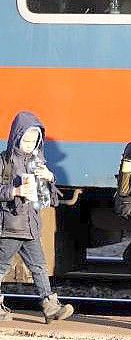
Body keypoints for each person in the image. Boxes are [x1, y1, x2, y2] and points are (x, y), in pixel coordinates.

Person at [0, 111, 73, 323]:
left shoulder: (38, 163)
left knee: (39, 266)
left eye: (34, 141)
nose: (30, 144)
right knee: (2, 266)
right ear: (16, 137)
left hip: (31, 225)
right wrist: (14, 192)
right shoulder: (5, 162)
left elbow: (48, 200)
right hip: (10, 225)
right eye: (26, 140)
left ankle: (50, 307)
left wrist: (50, 179)